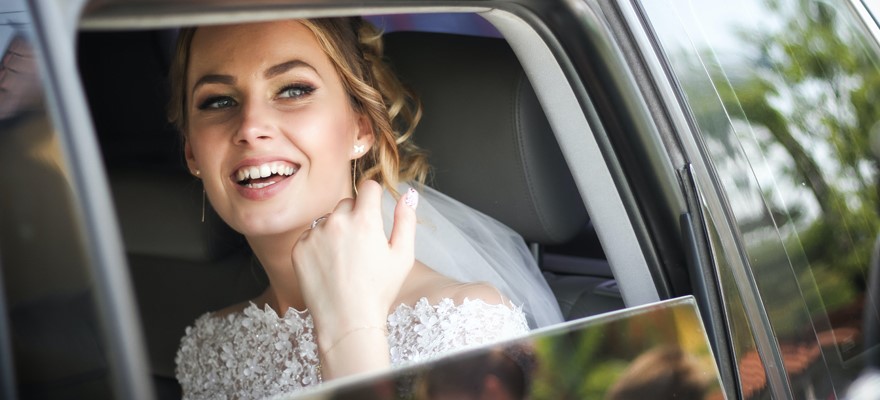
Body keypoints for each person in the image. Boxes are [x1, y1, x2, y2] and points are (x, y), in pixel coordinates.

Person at [170, 17, 562, 399]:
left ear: (360, 128)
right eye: (218, 101)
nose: (250, 126)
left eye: (292, 90)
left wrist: (350, 336)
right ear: (192, 151)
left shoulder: (464, 326)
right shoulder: (210, 348)